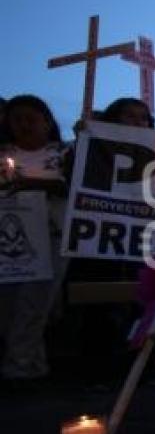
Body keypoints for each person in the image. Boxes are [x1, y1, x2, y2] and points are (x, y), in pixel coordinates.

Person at [0, 95, 68, 381]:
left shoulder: (65, 154)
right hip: (9, 240)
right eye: (17, 119)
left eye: (31, 118)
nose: (25, 125)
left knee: (35, 303)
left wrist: (31, 184)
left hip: (50, 237)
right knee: (9, 306)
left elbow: (75, 187)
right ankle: (33, 366)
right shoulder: (4, 155)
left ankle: (19, 369)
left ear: (47, 122)